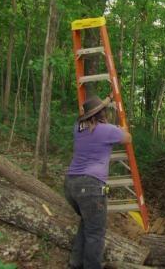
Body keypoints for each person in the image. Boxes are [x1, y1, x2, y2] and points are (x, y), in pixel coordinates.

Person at [64, 95, 131, 269]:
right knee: (95, 233)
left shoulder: (77, 128)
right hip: (91, 186)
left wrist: (108, 99)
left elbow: (91, 118)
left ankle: (75, 264)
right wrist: (121, 128)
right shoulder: (107, 130)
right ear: (102, 113)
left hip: (70, 185)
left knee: (87, 223)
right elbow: (127, 138)